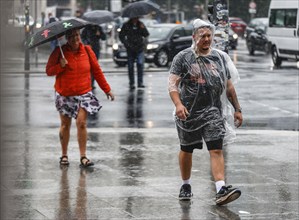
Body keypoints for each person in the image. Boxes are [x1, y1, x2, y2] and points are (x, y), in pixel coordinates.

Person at [168, 19, 243, 205]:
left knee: (216, 148)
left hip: (213, 112)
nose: (207, 39)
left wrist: (237, 109)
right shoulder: (183, 57)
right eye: (203, 36)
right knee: (187, 149)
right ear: (194, 37)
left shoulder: (219, 58)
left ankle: (221, 189)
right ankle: (186, 185)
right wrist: (178, 105)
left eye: (209, 35)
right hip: (188, 113)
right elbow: (172, 84)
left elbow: (229, 86)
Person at [46, 28, 115, 168]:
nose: (74, 38)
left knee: (81, 123)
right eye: (71, 36)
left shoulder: (88, 51)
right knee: (65, 125)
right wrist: (60, 65)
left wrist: (107, 89)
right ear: (66, 38)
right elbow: (49, 71)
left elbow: (97, 71)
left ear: (80, 36)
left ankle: (83, 157)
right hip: (65, 93)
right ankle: (64, 155)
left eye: (76, 35)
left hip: (84, 93)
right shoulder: (59, 52)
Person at [119, 17, 149, 89]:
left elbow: (146, 34)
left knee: (140, 63)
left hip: (139, 48)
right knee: (130, 66)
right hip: (130, 48)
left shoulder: (140, 24)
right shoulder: (126, 25)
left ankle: (140, 82)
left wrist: (143, 28)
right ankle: (131, 83)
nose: (135, 19)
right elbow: (121, 35)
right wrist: (126, 44)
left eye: (136, 18)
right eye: (134, 18)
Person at [81, 24, 107, 89]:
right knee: (88, 66)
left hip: (96, 49)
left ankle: (92, 83)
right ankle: (87, 82)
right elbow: (82, 37)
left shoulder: (98, 28)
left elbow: (104, 38)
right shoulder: (86, 28)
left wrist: (100, 34)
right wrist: (87, 43)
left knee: (94, 67)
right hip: (88, 49)